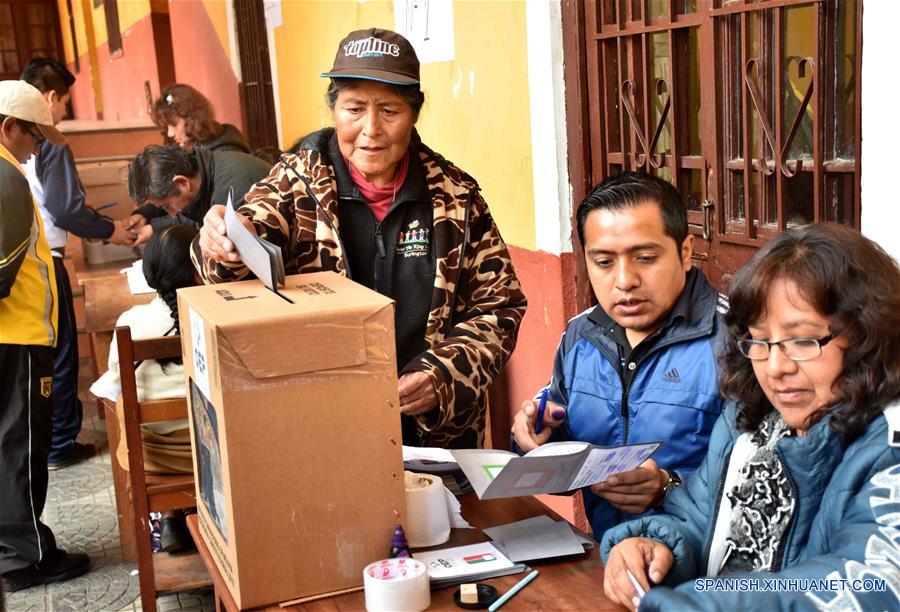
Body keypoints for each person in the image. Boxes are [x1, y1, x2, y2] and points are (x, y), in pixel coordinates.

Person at [197, 28, 526, 448]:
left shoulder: (456, 198)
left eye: (390, 111)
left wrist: (442, 375)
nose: (371, 129)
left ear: (414, 113)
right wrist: (221, 243)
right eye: (354, 109)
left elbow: (500, 305)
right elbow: (235, 261)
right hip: (324, 426)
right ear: (333, 111)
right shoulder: (292, 185)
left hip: (435, 437)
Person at [601, 224, 900, 611]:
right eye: (760, 341)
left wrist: (708, 603)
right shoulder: (745, 423)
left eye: (801, 340)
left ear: (866, 335)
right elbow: (696, 523)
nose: (775, 367)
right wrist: (654, 549)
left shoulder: (888, 443)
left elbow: (875, 583)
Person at [511, 172, 727, 542]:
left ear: (685, 252)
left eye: (644, 257)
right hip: (608, 565)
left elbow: (772, 484)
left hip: (706, 582)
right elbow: (564, 444)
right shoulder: (581, 336)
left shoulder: (739, 342)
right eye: (604, 262)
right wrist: (540, 441)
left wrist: (670, 488)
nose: (625, 280)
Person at [21, 57, 134, 470]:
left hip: (21, 262)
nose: (64, 112)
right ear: (51, 97)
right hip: (43, 263)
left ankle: (48, 440)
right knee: (61, 350)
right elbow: (65, 209)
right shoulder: (48, 139)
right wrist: (110, 230)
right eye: (66, 102)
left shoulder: (11, 134)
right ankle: (59, 444)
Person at [0, 79, 90, 591]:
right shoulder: (5, 176)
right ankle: (26, 556)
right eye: (34, 138)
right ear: (8, 126)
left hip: (11, 335)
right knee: (22, 443)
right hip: (16, 338)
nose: (37, 150)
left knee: (7, 442)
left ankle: (12, 548)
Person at [90, 224, 198, 552]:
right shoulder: (213, 317)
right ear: (200, 267)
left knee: (127, 405)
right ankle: (201, 516)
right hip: (210, 453)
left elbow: (115, 378)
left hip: (153, 456)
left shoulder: (130, 322)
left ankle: (169, 516)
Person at [125, 143, 272, 246]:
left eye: (166, 206)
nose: (172, 214)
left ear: (182, 183)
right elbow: (195, 215)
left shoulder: (228, 195)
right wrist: (154, 228)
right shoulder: (207, 169)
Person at [151, 83, 251, 154]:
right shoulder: (191, 148)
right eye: (167, 127)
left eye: (174, 124)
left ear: (193, 119)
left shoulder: (225, 153)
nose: (170, 133)